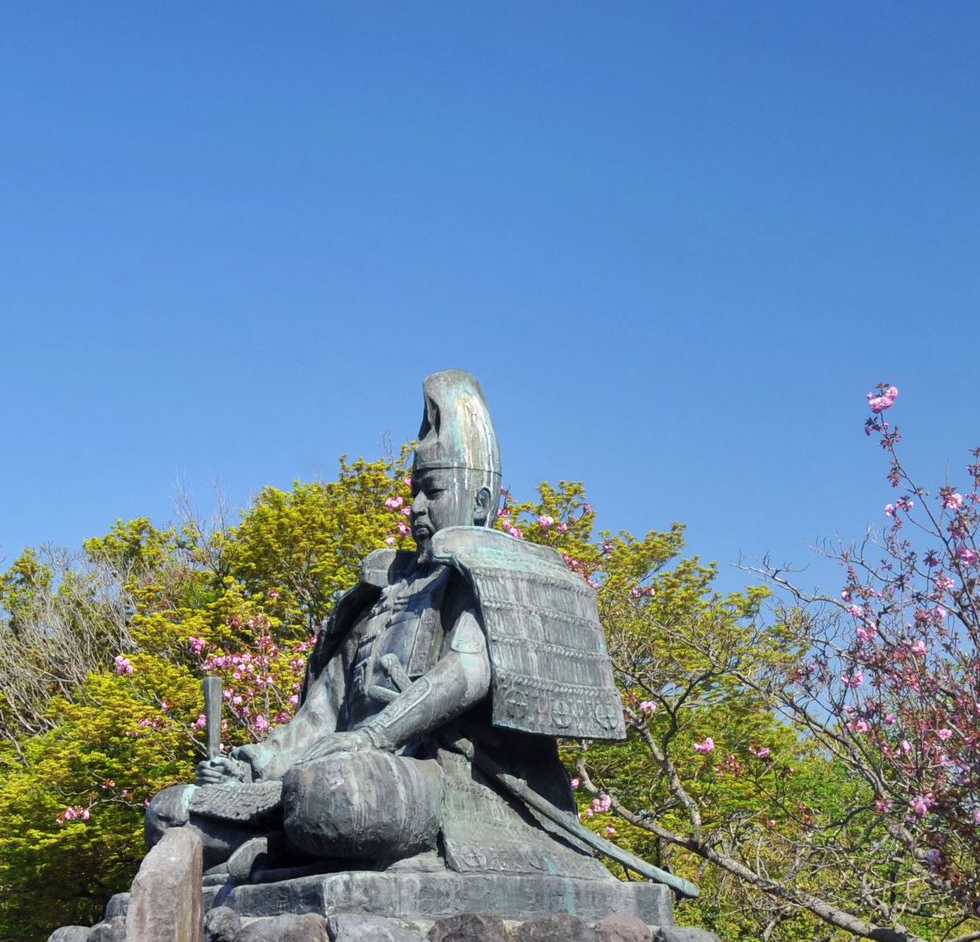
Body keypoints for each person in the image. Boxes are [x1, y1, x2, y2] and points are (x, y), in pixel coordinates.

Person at [149, 369, 644, 887]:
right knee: (172, 812)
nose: (416, 508)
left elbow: (469, 670)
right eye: (413, 492)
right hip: (333, 772)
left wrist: (373, 736)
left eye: (432, 490)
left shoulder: (485, 575)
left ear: (479, 502)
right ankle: (272, 847)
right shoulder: (381, 596)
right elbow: (319, 716)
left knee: (332, 797)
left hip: (436, 782)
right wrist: (250, 766)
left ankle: (268, 851)